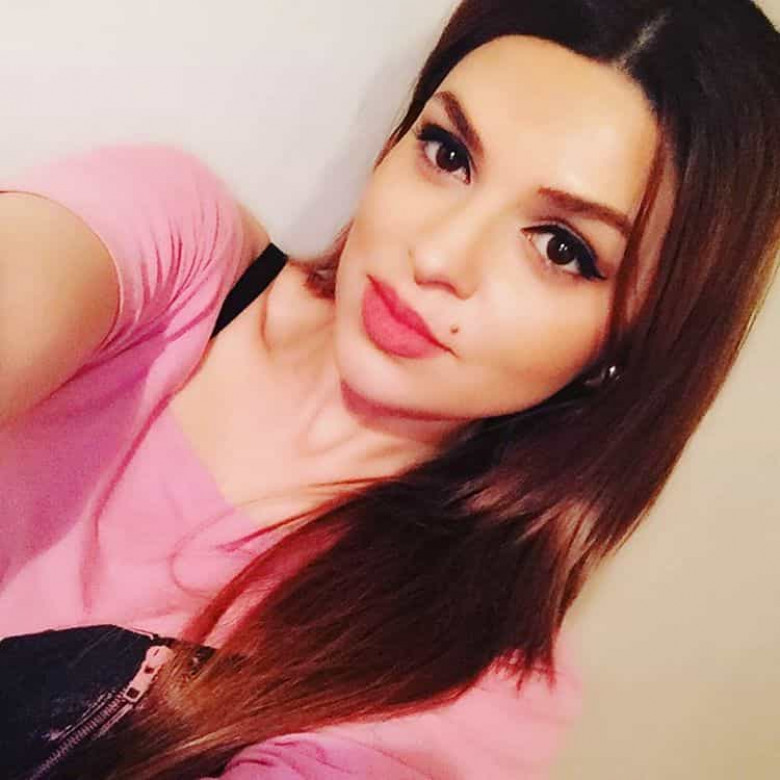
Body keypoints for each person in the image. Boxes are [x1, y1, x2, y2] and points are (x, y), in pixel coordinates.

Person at [1, 0, 779, 777]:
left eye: (561, 248)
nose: (438, 255)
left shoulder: (468, 688)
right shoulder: (174, 251)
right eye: (448, 154)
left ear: (635, 341)